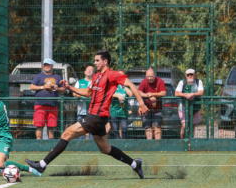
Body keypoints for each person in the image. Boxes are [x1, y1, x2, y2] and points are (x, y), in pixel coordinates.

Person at [25, 50, 149, 179]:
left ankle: (42, 164)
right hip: (96, 117)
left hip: (97, 116)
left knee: (67, 133)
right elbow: (88, 92)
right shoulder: (96, 76)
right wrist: (70, 88)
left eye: (97, 60)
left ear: (105, 61)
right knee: (105, 149)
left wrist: (141, 103)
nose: (94, 63)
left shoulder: (112, 75)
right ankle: (135, 164)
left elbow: (131, 85)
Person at [30, 58, 66, 139]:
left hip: (53, 105)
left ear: (52, 66)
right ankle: (38, 144)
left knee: (51, 126)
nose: (47, 66)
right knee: (39, 125)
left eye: (48, 65)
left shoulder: (57, 77)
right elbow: (31, 87)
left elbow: (63, 89)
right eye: (45, 65)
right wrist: (43, 87)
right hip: (40, 105)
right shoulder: (38, 76)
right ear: (43, 66)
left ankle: (50, 145)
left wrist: (58, 88)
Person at [175, 69, 204, 139]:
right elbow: (176, 93)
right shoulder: (182, 82)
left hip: (195, 108)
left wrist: (192, 94)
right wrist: (185, 95)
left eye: (192, 75)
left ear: (195, 75)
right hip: (183, 107)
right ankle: (182, 142)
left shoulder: (198, 82)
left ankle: (190, 144)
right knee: (185, 126)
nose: (190, 76)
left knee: (192, 127)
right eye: (188, 75)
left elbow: (201, 92)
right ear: (186, 76)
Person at [138, 68, 166, 140]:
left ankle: (157, 145)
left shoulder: (160, 81)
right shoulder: (143, 82)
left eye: (151, 76)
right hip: (146, 109)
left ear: (154, 75)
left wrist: (153, 95)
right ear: (146, 76)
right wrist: (148, 96)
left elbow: (163, 93)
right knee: (148, 128)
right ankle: (150, 145)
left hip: (157, 109)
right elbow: (138, 93)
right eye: (148, 77)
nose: (149, 78)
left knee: (157, 127)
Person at [110, 70, 133, 139]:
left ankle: (124, 144)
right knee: (115, 130)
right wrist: (117, 96)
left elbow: (131, 94)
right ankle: (117, 144)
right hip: (114, 111)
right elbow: (109, 94)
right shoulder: (113, 85)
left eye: (122, 76)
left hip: (123, 111)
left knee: (124, 129)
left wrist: (124, 86)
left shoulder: (125, 85)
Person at [73, 65, 95, 139]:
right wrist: (81, 95)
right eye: (88, 69)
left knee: (92, 129)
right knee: (81, 129)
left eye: (91, 70)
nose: (89, 71)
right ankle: (81, 147)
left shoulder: (95, 83)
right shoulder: (79, 82)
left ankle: (92, 148)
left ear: (94, 73)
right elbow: (74, 93)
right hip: (81, 110)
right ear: (85, 72)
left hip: (93, 111)